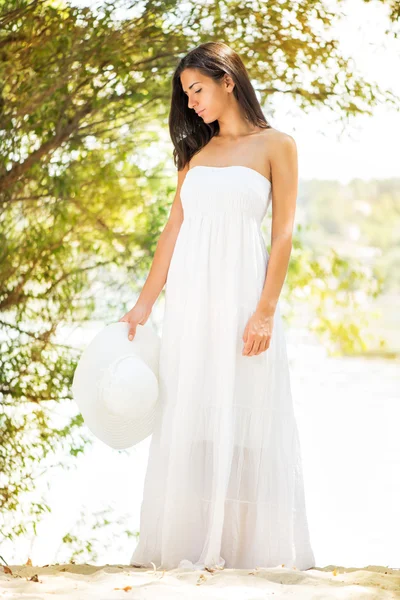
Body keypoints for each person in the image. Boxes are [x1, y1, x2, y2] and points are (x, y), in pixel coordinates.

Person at [119, 41, 315, 571]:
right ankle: (195, 542)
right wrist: (143, 306)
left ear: (228, 81)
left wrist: (265, 311)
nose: (191, 103)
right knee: (194, 415)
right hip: (192, 302)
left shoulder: (278, 145)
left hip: (242, 297)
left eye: (197, 89)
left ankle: (248, 547)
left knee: (246, 408)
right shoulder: (196, 155)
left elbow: (283, 235)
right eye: (186, 95)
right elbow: (172, 232)